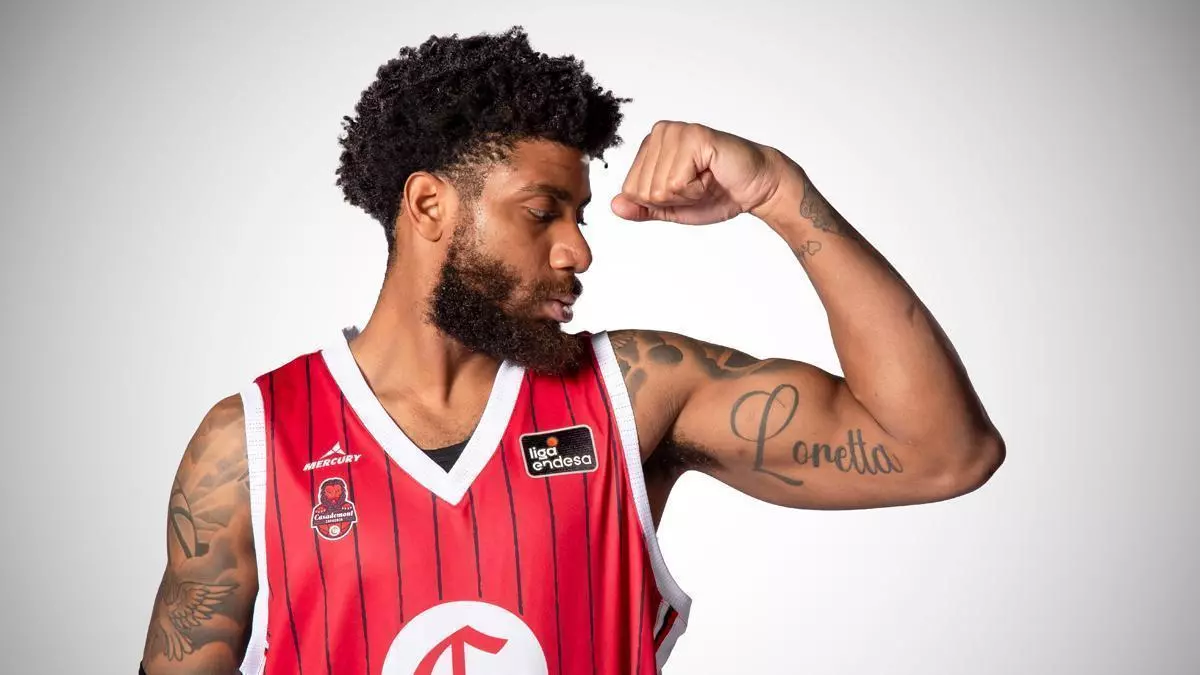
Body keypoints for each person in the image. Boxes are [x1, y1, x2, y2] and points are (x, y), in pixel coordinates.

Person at [139, 25, 1004, 675]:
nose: (579, 250)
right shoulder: (250, 445)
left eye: (580, 216)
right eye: (541, 211)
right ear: (430, 206)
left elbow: (941, 452)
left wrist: (780, 191)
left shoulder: (634, 392)